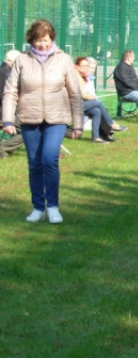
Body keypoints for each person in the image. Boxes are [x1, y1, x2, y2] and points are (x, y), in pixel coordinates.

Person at [2, 19, 83, 223]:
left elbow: (75, 93)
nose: (43, 44)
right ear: (32, 39)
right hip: (30, 119)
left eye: (46, 40)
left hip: (57, 119)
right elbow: (11, 91)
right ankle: (38, 207)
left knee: (49, 159)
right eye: (38, 40)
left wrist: (79, 124)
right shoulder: (22, 60)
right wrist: (7, 120)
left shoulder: (63, 59)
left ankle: (53, 206)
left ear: (52, 38)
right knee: (35, 164)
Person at [75, 57, 127, 143]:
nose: (86, 68)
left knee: (96, 111)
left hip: (82, 103)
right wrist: (94, 97)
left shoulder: (85, 76)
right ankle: (111, 124)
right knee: (98, 102)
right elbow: (83, 95)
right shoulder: (76, 76)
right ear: (78, 66)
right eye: (84, 65)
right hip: (73, 105)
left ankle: (96, 137)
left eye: (87, 66)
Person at [0, 49, 23, 158]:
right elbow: (5, 98)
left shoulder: (3, 70)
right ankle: (3, 147)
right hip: (4, 113)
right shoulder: (7, 73)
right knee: (31, 129)